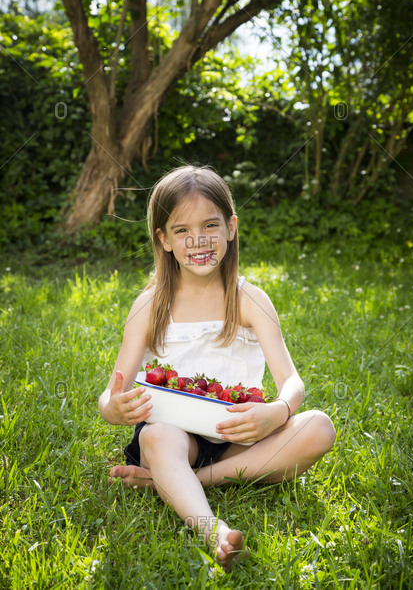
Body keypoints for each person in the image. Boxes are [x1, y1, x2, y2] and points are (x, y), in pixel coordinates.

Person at [98, 165, 336, 571]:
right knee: (156, 438)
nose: (198, 241)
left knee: (319, 427)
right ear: (163, 240)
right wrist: (114, 409)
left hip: (235, 430)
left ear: (231, 227)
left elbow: (291, 381)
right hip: (175, 435)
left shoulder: (249, 299)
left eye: (210, 225)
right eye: (182, 231)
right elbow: (110, 395)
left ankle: (179, 481)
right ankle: (213, 531)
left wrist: (276, 412)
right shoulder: (149, 304)